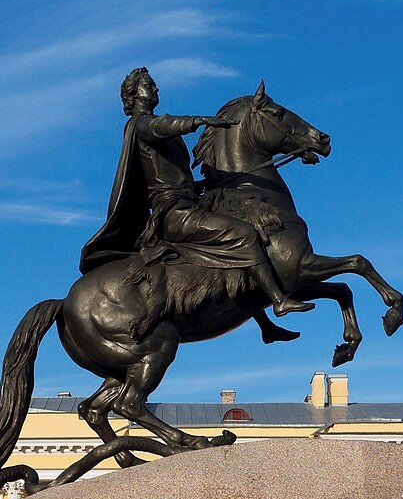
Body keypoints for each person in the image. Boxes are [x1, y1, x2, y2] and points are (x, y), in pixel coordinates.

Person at [79, 67, 313, 324]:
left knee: (236, 237)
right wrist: (199, 121)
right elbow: (161, 126)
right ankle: (278, 302)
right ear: (134, 95)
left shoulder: (156, 131)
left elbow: (173, 175)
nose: (156, 89)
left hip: (187, 204)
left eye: (154, 84)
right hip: (174, 214)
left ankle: (264, 325)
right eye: (149, 85)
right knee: (243, 234)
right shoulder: (139, 125)